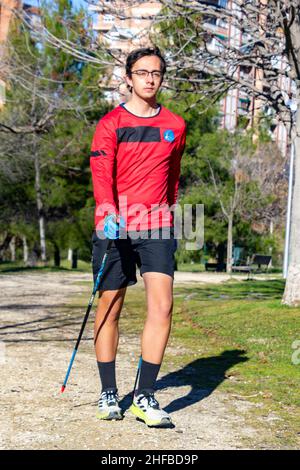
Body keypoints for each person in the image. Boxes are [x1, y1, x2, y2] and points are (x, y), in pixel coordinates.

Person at [90, 46, 186, 427]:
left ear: (162, 78)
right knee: (110, 306)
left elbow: (173, 172)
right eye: (142, 72)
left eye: (157, 73)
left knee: (162, 307)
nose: (150, 78)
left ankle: (144, 396)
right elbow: (101, 172)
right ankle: (109, 391)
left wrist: (170, 207)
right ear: (128, 78)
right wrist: (108, 211)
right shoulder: (111, 123)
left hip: (157, 223)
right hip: (115, 224)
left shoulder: (175, 125)